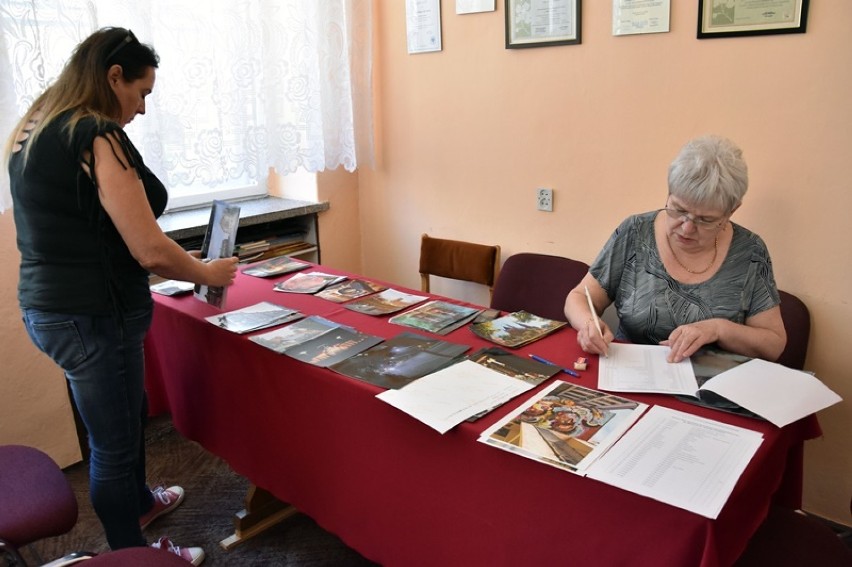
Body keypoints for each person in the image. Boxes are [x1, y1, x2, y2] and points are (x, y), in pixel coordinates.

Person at [4, 27, 238, 565]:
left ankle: (139, 502)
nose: (143, 108)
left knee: (123, 416)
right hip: (91, 316)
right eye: (142, 93)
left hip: (56, 310)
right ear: (114, 77)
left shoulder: (36, 126)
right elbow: (150, 250)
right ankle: (132, 554)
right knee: (112, 443)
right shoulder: (93, 133)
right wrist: (209, 272)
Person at [564, 135, 786, 364]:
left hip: (711, 390)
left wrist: (719, 329)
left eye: (706, 220)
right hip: (631, 377)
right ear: (668, 193)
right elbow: (579, 297)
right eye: (679, 210)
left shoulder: (749, 252)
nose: (687, 228)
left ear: (732, 211)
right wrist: (588, 325)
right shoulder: (635, 232)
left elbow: (773, 345)